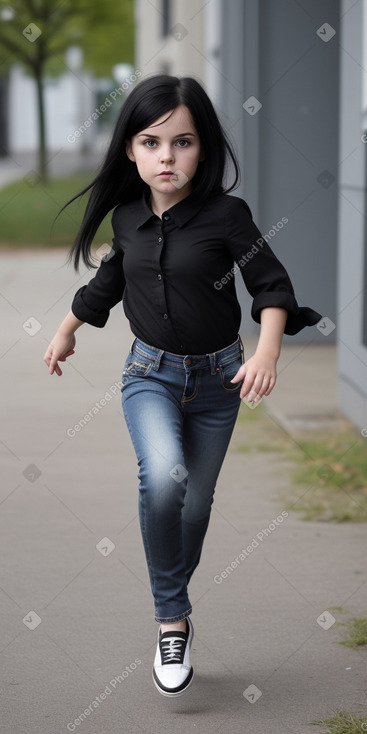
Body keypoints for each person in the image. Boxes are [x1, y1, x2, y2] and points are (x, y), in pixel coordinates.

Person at [43, 74, 322, 698]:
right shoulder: (129, 218)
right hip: (150, 375)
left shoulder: (227, 215)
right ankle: (171, 619)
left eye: (183, 142)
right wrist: (66, 332)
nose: (167, 157)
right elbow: (105, 287)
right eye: (151, 142)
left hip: (221, 381)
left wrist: (268, 353)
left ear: (205, 148)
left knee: (193, 505)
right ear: (130, 152)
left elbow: (272, 286)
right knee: (164, 476)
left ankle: (175, 600)